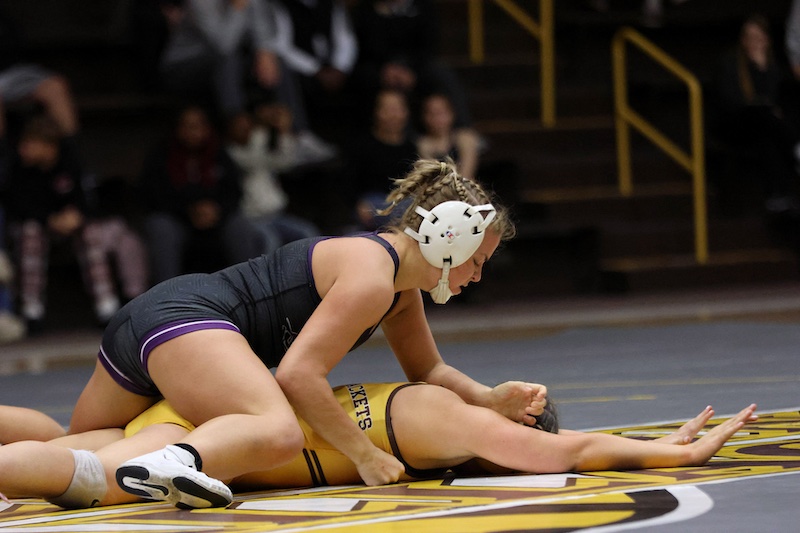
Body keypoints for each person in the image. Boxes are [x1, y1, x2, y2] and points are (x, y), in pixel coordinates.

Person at [66, 156, 541, 511]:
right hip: (188, 321)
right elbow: (298, 375)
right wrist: (364, 457)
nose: (477, 276)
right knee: (278, 433)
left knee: (81, 446)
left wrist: (487, 399)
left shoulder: (397, 288)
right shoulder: (372, 277)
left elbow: (429, 370)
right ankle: (179, 460)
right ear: (448, 240)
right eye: (478, 261)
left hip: (154, 318)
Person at [0, 382, 758, 508]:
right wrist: (676, 453)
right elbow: (569, 452)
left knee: (68, 441)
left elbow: (569, 445)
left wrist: (659, 442)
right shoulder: (446, 418)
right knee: (93, 472)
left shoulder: (434, 410)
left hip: (205, 415)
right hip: (214, 433)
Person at [1, 115, 145, 329]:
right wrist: (49, 219)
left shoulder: (70, 159)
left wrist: (77, 215)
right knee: (31, 233)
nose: (24, 149)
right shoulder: (18, 166)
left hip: (70, 224)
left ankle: (106, 306)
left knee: (89, 233)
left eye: (30, 144)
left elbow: (87, 197)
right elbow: (16, 205)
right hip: (37, 226)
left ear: (48, 145)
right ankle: (32, 309)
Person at [138, 104, 263, 283]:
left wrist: (216, 209)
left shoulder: (218, 153)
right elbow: (152, 196)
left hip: (217, 218)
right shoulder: (162, 155)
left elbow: (234, 193)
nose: (193, 132)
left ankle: (250, 291)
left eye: (198, 126)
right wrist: (189, 210)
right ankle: (166, 298)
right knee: (160, 227)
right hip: (178, 219)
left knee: (240, 226)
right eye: (187, 126)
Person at [712, 13, 800, 215]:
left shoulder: (772, 66)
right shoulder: (730, 63)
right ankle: (797, 147)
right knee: (764, 115)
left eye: (758, 38)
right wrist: (761, 105)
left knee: (769, 138)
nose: (754, 43)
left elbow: (773, 98)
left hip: (762, 127)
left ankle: (779, 196)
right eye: (750, 37)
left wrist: (762, 69)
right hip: (734, 123)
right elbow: (733, 101)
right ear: (743, 40)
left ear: (766, 41)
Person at [225, 105, 319, 255]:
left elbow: (285, 162)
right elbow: (253, 160)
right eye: (240, 127)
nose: (246, 130)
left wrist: (283, 131)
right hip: (251, 219)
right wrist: (264, 127)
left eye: (248, 125)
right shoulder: (231, 154)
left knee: (308, 232)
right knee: (270, 242)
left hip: (276, 215)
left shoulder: (260, 150)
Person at [347, 88, 419, 230]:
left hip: (402, 201)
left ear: (406, 112)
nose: (393, 115)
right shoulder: (362, 145)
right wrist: (356, 203)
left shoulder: (412, 146)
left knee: (412, 206)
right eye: (387, 109)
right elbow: (348, 182)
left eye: (397, 109)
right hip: (372, 203)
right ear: (376, 112)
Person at [417, 92, 481, 180]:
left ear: (451, 113)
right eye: (431, 114)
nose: (436, 119)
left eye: (440, 113)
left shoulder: (465, 137)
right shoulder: (423, 144)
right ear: (424, 117)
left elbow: (467, 174)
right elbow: (432, 177)